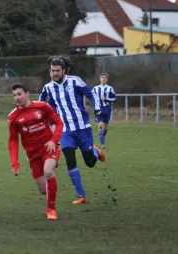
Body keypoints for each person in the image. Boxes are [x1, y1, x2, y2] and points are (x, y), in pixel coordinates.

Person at [39, 56, 106, 205]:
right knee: (70, 159)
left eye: (57, 70)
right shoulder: (48, 87)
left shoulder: (75, 81)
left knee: (89, 162)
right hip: (65, 130)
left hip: (83, 128)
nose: (54, 73)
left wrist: (97, 112)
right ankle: (81, 196)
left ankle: (95, 152)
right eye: (52, 71)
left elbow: (92, 94)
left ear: (64, 70)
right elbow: (42, 105)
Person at [8, 84, 64, 221]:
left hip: (49, 147)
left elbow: (59, 123)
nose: (17, 97)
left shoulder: (42, 106)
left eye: (19, 94)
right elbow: (13, 140)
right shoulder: (13, 116)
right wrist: (15, 163)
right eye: (14, 95)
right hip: (32, 154)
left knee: (48, 171)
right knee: (43, 190)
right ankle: (50, 190)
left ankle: (51, 209)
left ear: (27, 93)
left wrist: (54, 140)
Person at [92, 73, 117, 148]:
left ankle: (103, 132)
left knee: (104, 127)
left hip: (107, 109)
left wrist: (106, 99)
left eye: (105, 78)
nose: (103, 79)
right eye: (102, 77)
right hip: (98, 109)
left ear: (107, 79)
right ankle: (103, 144)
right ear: (100, 79)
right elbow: (91, 97)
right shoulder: (95, 88)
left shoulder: (110, 88)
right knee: (100, 126)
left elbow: (115, 98)